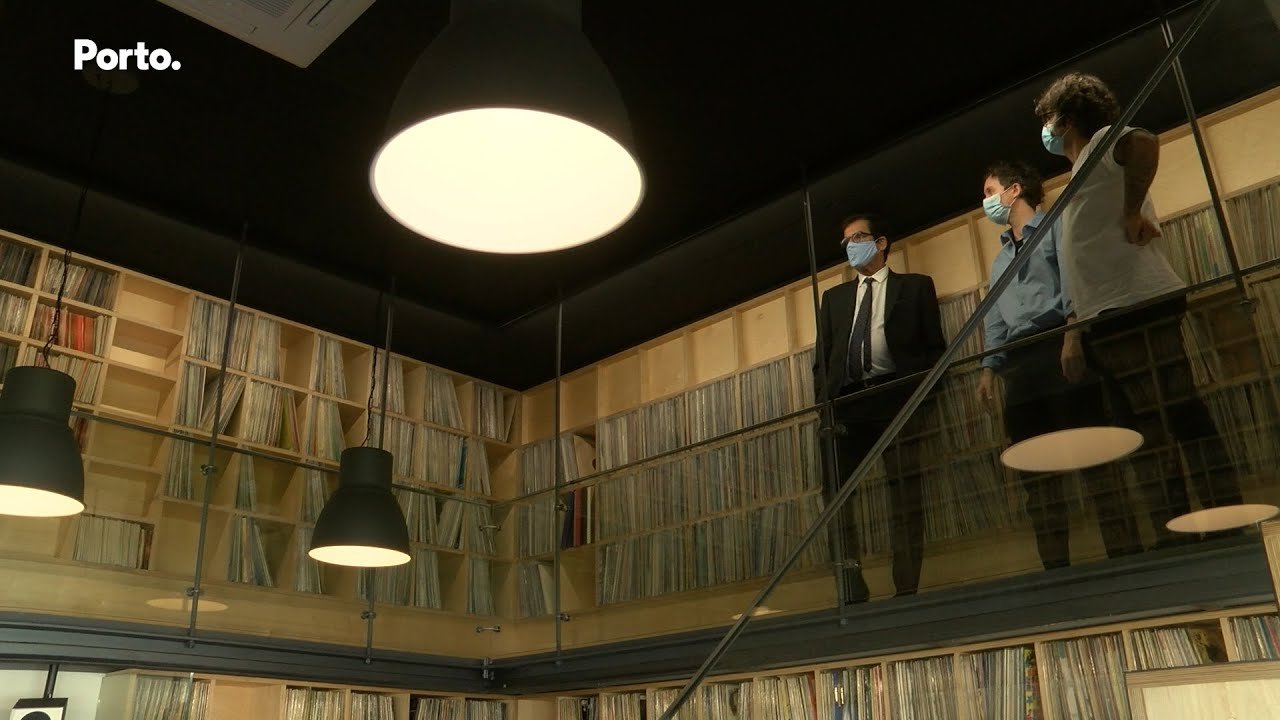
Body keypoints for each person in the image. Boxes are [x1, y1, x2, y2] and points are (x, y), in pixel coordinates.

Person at [1034, 72, 1245, 544]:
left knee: (1170, 412)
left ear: (1066, 120)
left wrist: (1131, 212)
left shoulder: (1101, 143)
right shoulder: (1082, 170)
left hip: (1133, 302)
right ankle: (1179, 526)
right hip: (1107, 312)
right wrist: (1075, 330)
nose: (1046, 131)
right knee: (1143, 422)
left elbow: (1144, 143)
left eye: (1048, 120)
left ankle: (1216, 522)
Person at [976, 160, 1143, 569]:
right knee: (1033, 470)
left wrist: (1072, 336)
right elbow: (994, 319)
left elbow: (1072, 282)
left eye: (990, 191)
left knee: (1092, 454)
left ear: (1014, 190)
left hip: (1059, 344)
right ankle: (1055, 566)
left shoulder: (1055, 227)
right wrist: (989, 369)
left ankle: (1126, 555)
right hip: (1019, 363)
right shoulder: (999, 261)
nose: (986, 201)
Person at [813, 213, 946, 602]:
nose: (850, 246)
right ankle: (852, 588)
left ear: (881, 242)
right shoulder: (834, 299)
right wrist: (825, 405)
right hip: (847, 406)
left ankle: (906, 587)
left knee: (904, 493)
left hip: (897, 399)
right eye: (846, 242)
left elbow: (935, 349)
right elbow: (822, 360)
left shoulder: (915, 287)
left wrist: (921, 401)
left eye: (858, 237)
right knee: (836, 497)